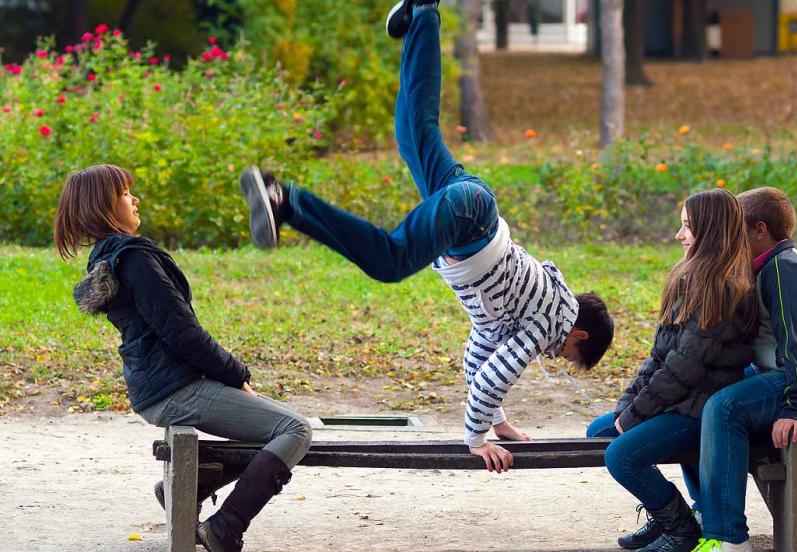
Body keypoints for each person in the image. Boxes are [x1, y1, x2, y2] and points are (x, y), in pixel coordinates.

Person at [239, 0, 614, 473]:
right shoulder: (546, 322)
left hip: (471, 209)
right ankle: (285, 200)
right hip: (469, 220)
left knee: (413, 128)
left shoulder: (520, 315)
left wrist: (498, 425)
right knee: (390, 260)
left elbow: (478, 362)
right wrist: (477, 439)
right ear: (577, 334)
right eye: (570, 354)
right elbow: (497, 374)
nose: (557, 357)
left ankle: (423, 13)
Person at [55, 164, 313, 552]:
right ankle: (225, 528)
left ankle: (197, 483)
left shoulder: (108, 258)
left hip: (159, 387)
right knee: (294, 429)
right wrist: (235, 374)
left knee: (281, 425)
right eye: (125, 194)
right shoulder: (134, 260)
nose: (134, 199)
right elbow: (182, 334)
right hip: (174, 389)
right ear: (104, 205)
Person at [586, 189, 758, 552]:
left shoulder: (724, 290)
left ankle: (680, 528)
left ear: (710, 232)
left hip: (700, 411)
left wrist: (634, 417)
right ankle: (671, 515)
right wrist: (627, 406)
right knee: (599, 431)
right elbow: (660, 357)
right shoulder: (691, 279)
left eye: (687, 227)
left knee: (620, 455)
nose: (679, 235)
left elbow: (685, 370)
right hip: (680, 401)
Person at [691, 187, 797, 552]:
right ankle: (707, 512)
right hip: (788, 379)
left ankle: (727, 538)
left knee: (724, 407)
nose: (730, 238)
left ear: (760, 230)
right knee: (697, 397)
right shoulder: (765, 267)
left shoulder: (787, 269)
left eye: (737, 229)